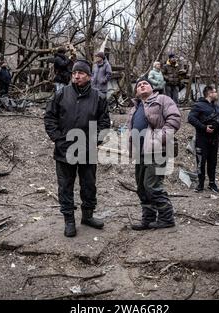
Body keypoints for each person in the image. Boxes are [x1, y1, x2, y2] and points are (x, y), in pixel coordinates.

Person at [44, 59, 111, 237]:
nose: (76, 76)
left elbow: (105, 122)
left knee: (89, 185)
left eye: (80, 73)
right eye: (74, 73)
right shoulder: (61, 94)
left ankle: (87, 216)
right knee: (65, 186)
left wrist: (96, 141)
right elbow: (49, 117)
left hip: (87, 149)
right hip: (64, 150)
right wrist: (57, 138)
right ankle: (69, 221)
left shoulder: (99, 97)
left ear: (89, 76)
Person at [127, 77, 181, 230]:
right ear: (136, 92)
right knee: (141, 187)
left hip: (157, 151)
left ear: (152, 88)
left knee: (152, 185)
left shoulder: (162, 99)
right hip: (140, 152)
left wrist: (160, 138)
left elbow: (175, 119)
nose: (142, 85)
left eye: (145, 83)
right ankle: (148, 219)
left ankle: (167, 217)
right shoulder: (134, 108)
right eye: (139, 85)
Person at [188, 85, 219, 193]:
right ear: (209, 93)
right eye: (215, 92)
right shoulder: (199, 105)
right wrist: (203, 127)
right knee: (201, 162)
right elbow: (191, 118)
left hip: (215, 140)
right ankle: (200, 184)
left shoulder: (216, 107)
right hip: (202, 140)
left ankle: (212, 183)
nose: (216, 94)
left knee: (213, 162)